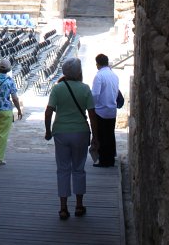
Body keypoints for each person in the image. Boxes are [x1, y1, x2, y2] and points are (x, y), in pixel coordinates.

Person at [44, 57, 99, 219]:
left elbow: (48, 111)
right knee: (79, 168)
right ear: (79, 72)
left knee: (63, 169)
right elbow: (92, 114)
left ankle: (63, 208)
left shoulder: (57, 89)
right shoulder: (85, 89)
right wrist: (95, 136)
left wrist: (48, 131)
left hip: (61, 132)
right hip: (81, 132)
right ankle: (79, 205)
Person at [0, 58, 22, 165]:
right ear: (8, 70)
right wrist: (19, 110)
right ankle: (0, 158)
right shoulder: (10, 81)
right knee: (3, 134)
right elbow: (15, 98)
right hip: (6, 110)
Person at [91, 53, 120, 167]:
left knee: (102, 136)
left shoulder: (99, 76)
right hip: (112, 110)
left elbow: (95, 94)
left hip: (101, 110)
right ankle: (110, 159)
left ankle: (103, 160)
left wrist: (92, 106)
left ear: (97, 64)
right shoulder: (114, 75)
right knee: (110, 135)